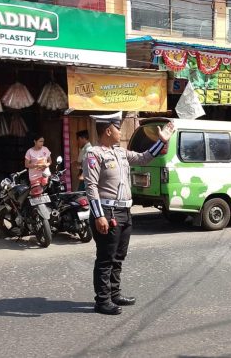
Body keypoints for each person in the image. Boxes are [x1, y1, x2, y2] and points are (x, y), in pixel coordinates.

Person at [83, 113, 174, 315]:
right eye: (118, 128)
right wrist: (99, 215)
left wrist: (162, 141)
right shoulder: (94, 154)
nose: (120, 132)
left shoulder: (120, 153)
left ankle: (114, 294)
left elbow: (145, 157)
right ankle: (102, 300)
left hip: (124, 211)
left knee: (118, 256)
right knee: (106, 258)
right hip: (107, 212)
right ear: (108, 130)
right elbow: (91, 187)